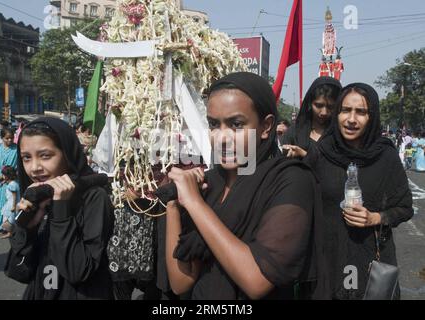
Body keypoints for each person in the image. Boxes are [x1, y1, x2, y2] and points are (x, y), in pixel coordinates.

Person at [164, 72, 329, 300]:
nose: (222, 137)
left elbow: (256, 281)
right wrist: (175, 205)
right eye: (214, 124)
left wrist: (194, 204)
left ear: (266, 126)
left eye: (236, 124)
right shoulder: (209, 184)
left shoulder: (290, 180)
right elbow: (181, 283)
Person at [305, 83, 413, 299]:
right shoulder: (321, 154)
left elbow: (404, 208)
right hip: (327, 260)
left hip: (369, 261)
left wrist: (374, 217)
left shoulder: (385, 156)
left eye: (361, 112)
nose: (351, 119)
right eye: (345, 110)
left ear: (371, 116)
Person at [4, 117, 114, 299]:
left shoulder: (94, 197)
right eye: (26, 158)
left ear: (67, 154)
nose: (34, 168)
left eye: (45, 155)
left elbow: (78, 271)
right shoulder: (37, 196)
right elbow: (18, 271)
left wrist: (61, 211)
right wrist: (27, 228)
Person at [281, 77, 342, 158]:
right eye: (319, 106)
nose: (324, 112)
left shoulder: (342, 135)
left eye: (330, 107)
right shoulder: (294, 132)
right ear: (310, 103)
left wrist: (305, 155)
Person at [0, 166, 20, 239]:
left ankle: (10, 232)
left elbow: (14, 196)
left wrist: (13, 206)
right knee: (9, 218)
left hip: (12, 203)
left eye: (4, 175)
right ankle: (10, 232)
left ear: (7, 176)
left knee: (10, 219)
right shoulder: (13, 182)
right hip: (11, 203)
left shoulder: (12, 185)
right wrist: (4, 181)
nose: (3, 176)